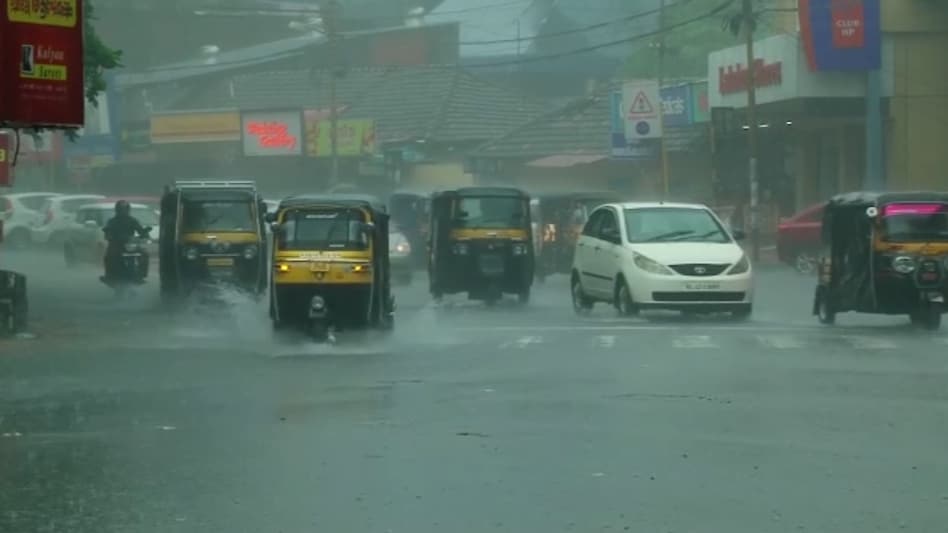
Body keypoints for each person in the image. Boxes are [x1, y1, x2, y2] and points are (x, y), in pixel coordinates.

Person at [101, 200, 150, 283]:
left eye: (125, 209)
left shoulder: (132, 220)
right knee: (108, 256)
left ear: (128, 210)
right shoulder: (112, 221)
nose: (123, 211)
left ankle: (142, 274)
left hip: (130, 245)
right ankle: (108, 275)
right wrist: (108, 235)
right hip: (116, 244)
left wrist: (144, 233)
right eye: (121, 209)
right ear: (117, 210)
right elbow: (107, 231)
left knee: (145, 254)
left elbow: (140, 230)